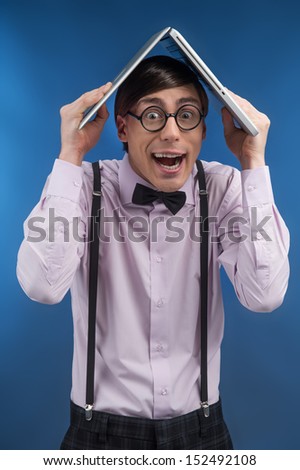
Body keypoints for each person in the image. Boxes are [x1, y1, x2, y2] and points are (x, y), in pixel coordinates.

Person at [17, 55, 289, 450]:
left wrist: (253, 162)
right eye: (153, 116)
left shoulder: (223, 188)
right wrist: (70, 154)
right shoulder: (80, 186)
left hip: (203, 433)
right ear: (123, 127)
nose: (172, 133)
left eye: (187, 115)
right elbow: (42, 286)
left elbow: (265, 294)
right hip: (99, 437)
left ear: (203, 130)